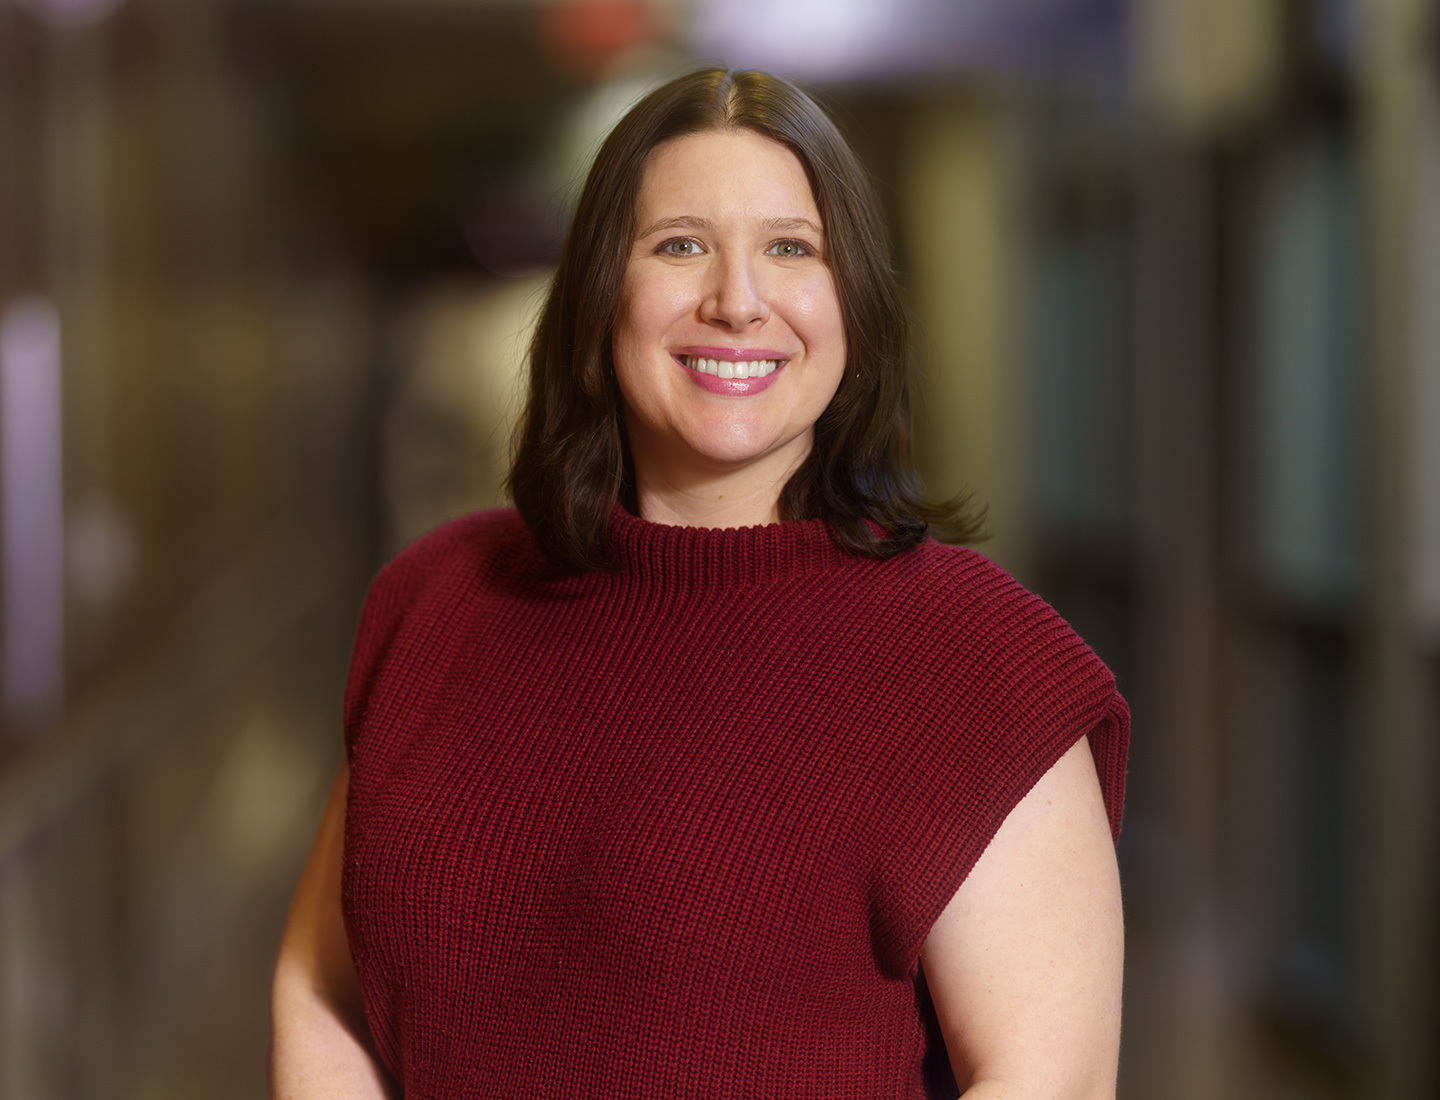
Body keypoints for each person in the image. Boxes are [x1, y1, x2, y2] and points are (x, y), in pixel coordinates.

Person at [270, 68, 1129, 1100]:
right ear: (599, 295)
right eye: (680, 245)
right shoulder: (435, 602)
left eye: (791, 248)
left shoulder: (986, 665)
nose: (736, 300)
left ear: (853, 303)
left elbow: (1048, 1078)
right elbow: (322, 989)